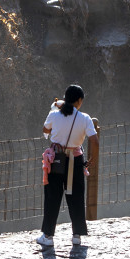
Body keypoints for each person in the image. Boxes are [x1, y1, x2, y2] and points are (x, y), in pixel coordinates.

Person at [36, 85, 97, 248]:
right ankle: (76, 235)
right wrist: (92, 159)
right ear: (79, 101)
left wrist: (59, 108)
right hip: (76, 161)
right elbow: (94, 140)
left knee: (52, 197)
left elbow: (45, 129)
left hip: (57, 160)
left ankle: (48, 236)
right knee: (76, 197)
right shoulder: (85, 118)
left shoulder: (54, 114)